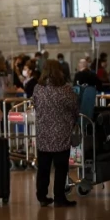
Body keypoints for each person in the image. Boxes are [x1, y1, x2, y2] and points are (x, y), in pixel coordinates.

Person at [32, 60, 79, 207]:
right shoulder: (65, 89)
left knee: (43, 168)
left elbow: (35, 104)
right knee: (60, 168)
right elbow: (74, 108)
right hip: (61, 134)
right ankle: (59, 197)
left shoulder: (38, 88)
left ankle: (42, 196)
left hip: (43, 134)